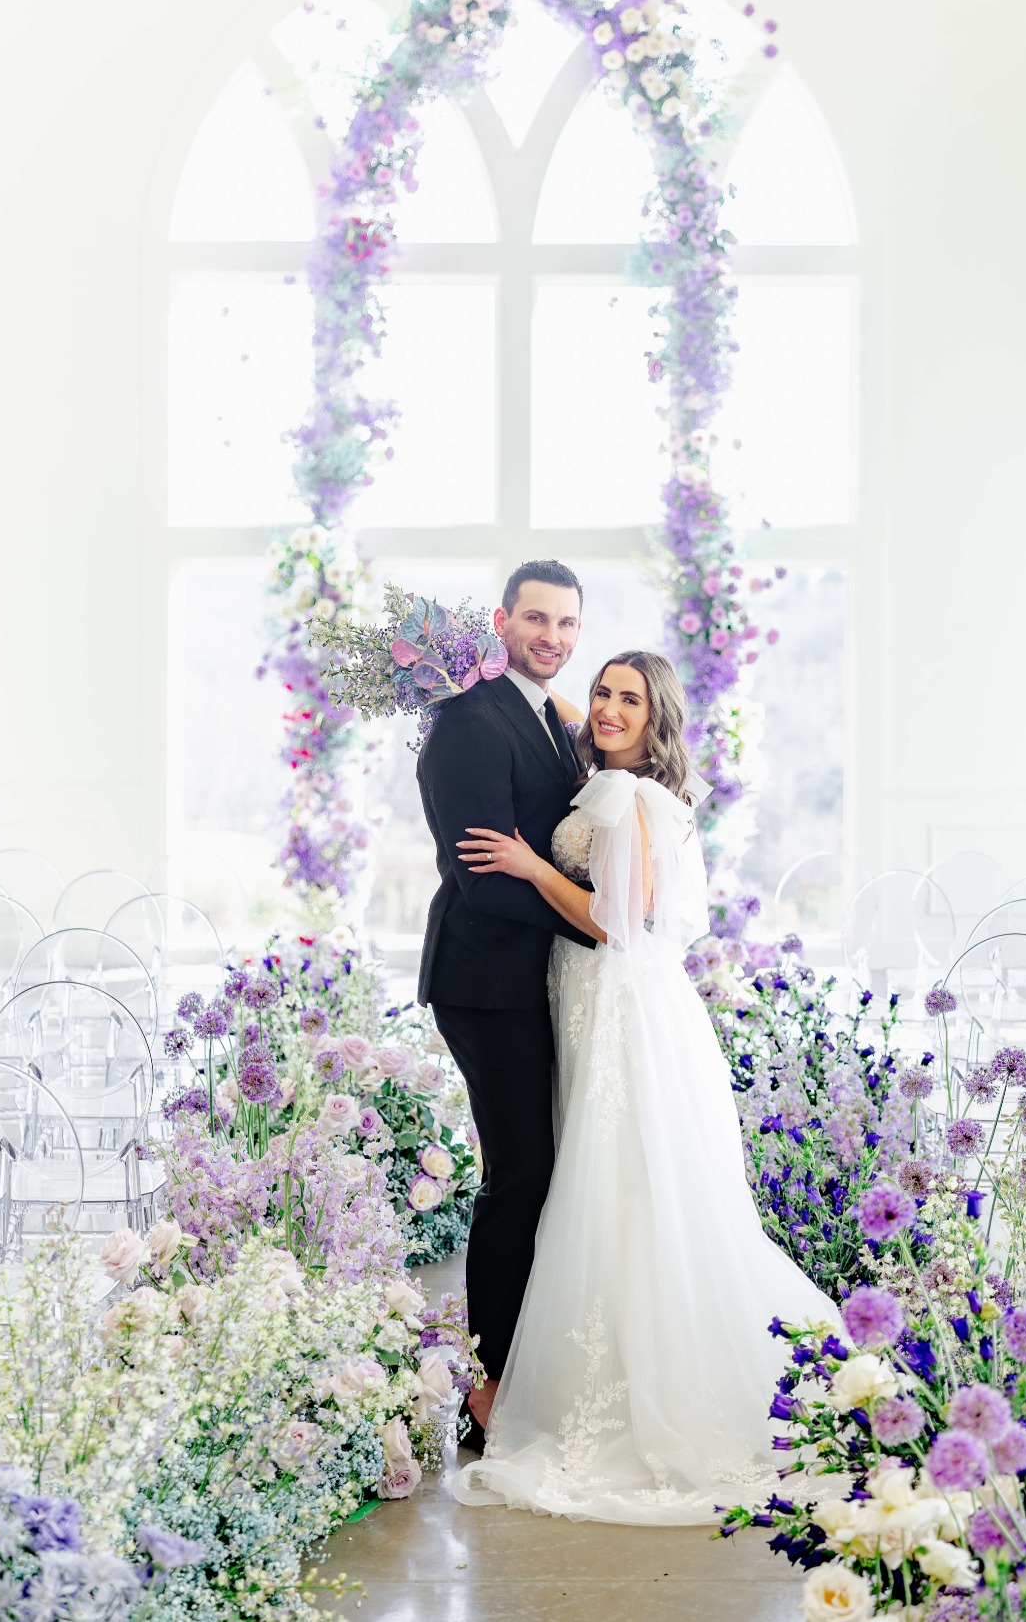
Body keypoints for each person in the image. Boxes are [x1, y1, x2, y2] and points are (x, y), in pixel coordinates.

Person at [450, 650, 840, 1524]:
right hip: (596, 1002)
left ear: (657, 717)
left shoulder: (631, 797)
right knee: (609, 1184)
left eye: (631, 698)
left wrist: (528, 864)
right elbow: (548, 702)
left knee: (621, 1186)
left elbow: (620, 921)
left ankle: (645, 1388)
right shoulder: (607, 784)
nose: (611, 707)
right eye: (602, 691)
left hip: (622, 1006)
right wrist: (482, 670)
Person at [415, 560, 593, 1447]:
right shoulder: (468, 722)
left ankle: (521, 1362)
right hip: (484, 982)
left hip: (533, 979)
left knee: (536, 1169)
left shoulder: (549, 718)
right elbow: (482, 878)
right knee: (518, 1173)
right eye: (535, 619)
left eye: (565, 624)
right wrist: (591, 921)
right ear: (501, 619)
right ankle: (486, 1384)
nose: (550, 637)